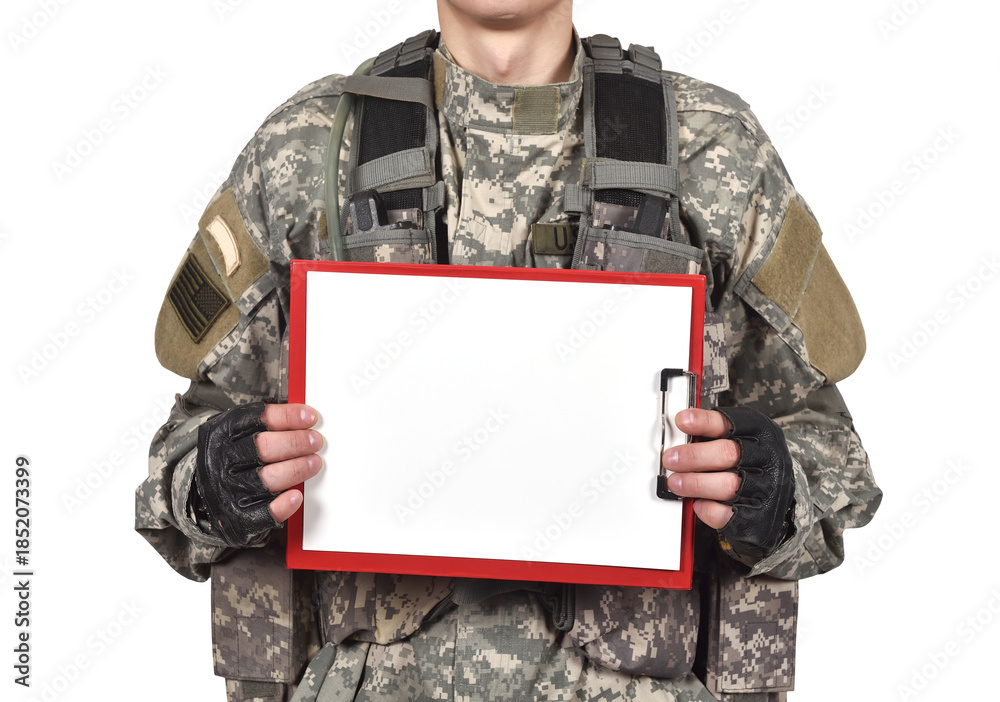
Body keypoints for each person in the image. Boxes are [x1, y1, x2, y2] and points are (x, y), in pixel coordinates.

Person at [135, 1, 882, 700]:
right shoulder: (303, 152)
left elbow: (833, 458)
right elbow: (173, 475)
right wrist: (212, 483)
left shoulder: (714, 149)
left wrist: (773, 492)